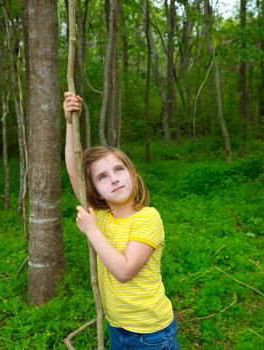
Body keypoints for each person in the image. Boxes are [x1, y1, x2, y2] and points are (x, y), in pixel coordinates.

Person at [63, 92, 179, 349]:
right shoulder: (102, 217)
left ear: (132, 175)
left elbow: (125, 271)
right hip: (117, 328)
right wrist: (71, 123)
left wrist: (92, 231)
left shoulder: (148, 218)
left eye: (118, 170)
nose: (113, 178)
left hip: (151, 334)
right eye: (102, 177)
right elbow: (74, 174)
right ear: (94, 188)